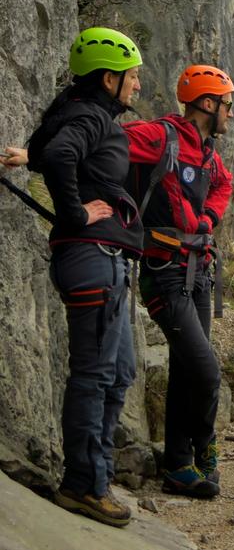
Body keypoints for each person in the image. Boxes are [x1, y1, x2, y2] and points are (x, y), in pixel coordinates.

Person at [1, 26, 144, 527]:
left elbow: (58, 151)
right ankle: (83, 485)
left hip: (101, 258)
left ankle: (94, 475)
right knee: (96, 373)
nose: (137, 85)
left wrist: (27, 156)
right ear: (109, 78)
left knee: (119, 371)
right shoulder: (90, 116)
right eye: (132, 77)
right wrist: (77, 214)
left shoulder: (83, 113)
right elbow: (64, 155)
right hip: (92, 253)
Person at [123, 64, 234, 498]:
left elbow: (222, 186)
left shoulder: (208, 153)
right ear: (208, 103)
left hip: (198, 269)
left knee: (188, 368)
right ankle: (205, 449)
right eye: (227, 104)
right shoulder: (160, 136)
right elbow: (104, 144)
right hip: (163, 271)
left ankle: (176, 465)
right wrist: (33, 156)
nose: (231, 113)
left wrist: (208, 217)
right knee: (206, 370)